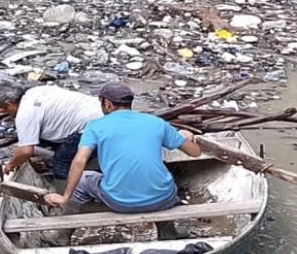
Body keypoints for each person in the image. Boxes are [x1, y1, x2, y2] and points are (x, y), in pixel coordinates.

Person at [44, 82, 202, 212]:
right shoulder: (156, 122)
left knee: (82, 179)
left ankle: (62, 235)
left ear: (107, 104)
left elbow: (79, 162)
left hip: (121, 203)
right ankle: (168, 232)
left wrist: (64, 196)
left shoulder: (95, 127)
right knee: (160, 181)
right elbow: (195, 153)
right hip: (163, 198)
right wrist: (186, 137)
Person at [0, 84, 102, 179]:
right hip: (101, 111)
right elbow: (12, 104)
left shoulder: (25, 115)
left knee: (60, 164)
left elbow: (26, 151)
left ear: (9, 103)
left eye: (5, 109)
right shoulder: (35, 91)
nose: (7, 113)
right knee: (45, 140)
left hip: (91, 127)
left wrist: (11, 164)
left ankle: (72, 192)